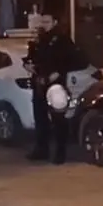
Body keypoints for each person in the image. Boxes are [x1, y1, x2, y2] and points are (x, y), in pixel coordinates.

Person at [24, 9, 81, 164]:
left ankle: (60, 152)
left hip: (55, 84)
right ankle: (41, 149)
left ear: (55, 22)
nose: (44, 24)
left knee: (58, 119)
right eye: (42, 21)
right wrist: (28, 65)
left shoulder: (62, 40)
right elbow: (31, 57)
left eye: (47, 22)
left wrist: (59, 72)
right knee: (40, 117)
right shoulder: (39, 39)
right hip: (39, 81)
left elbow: (74, 59)